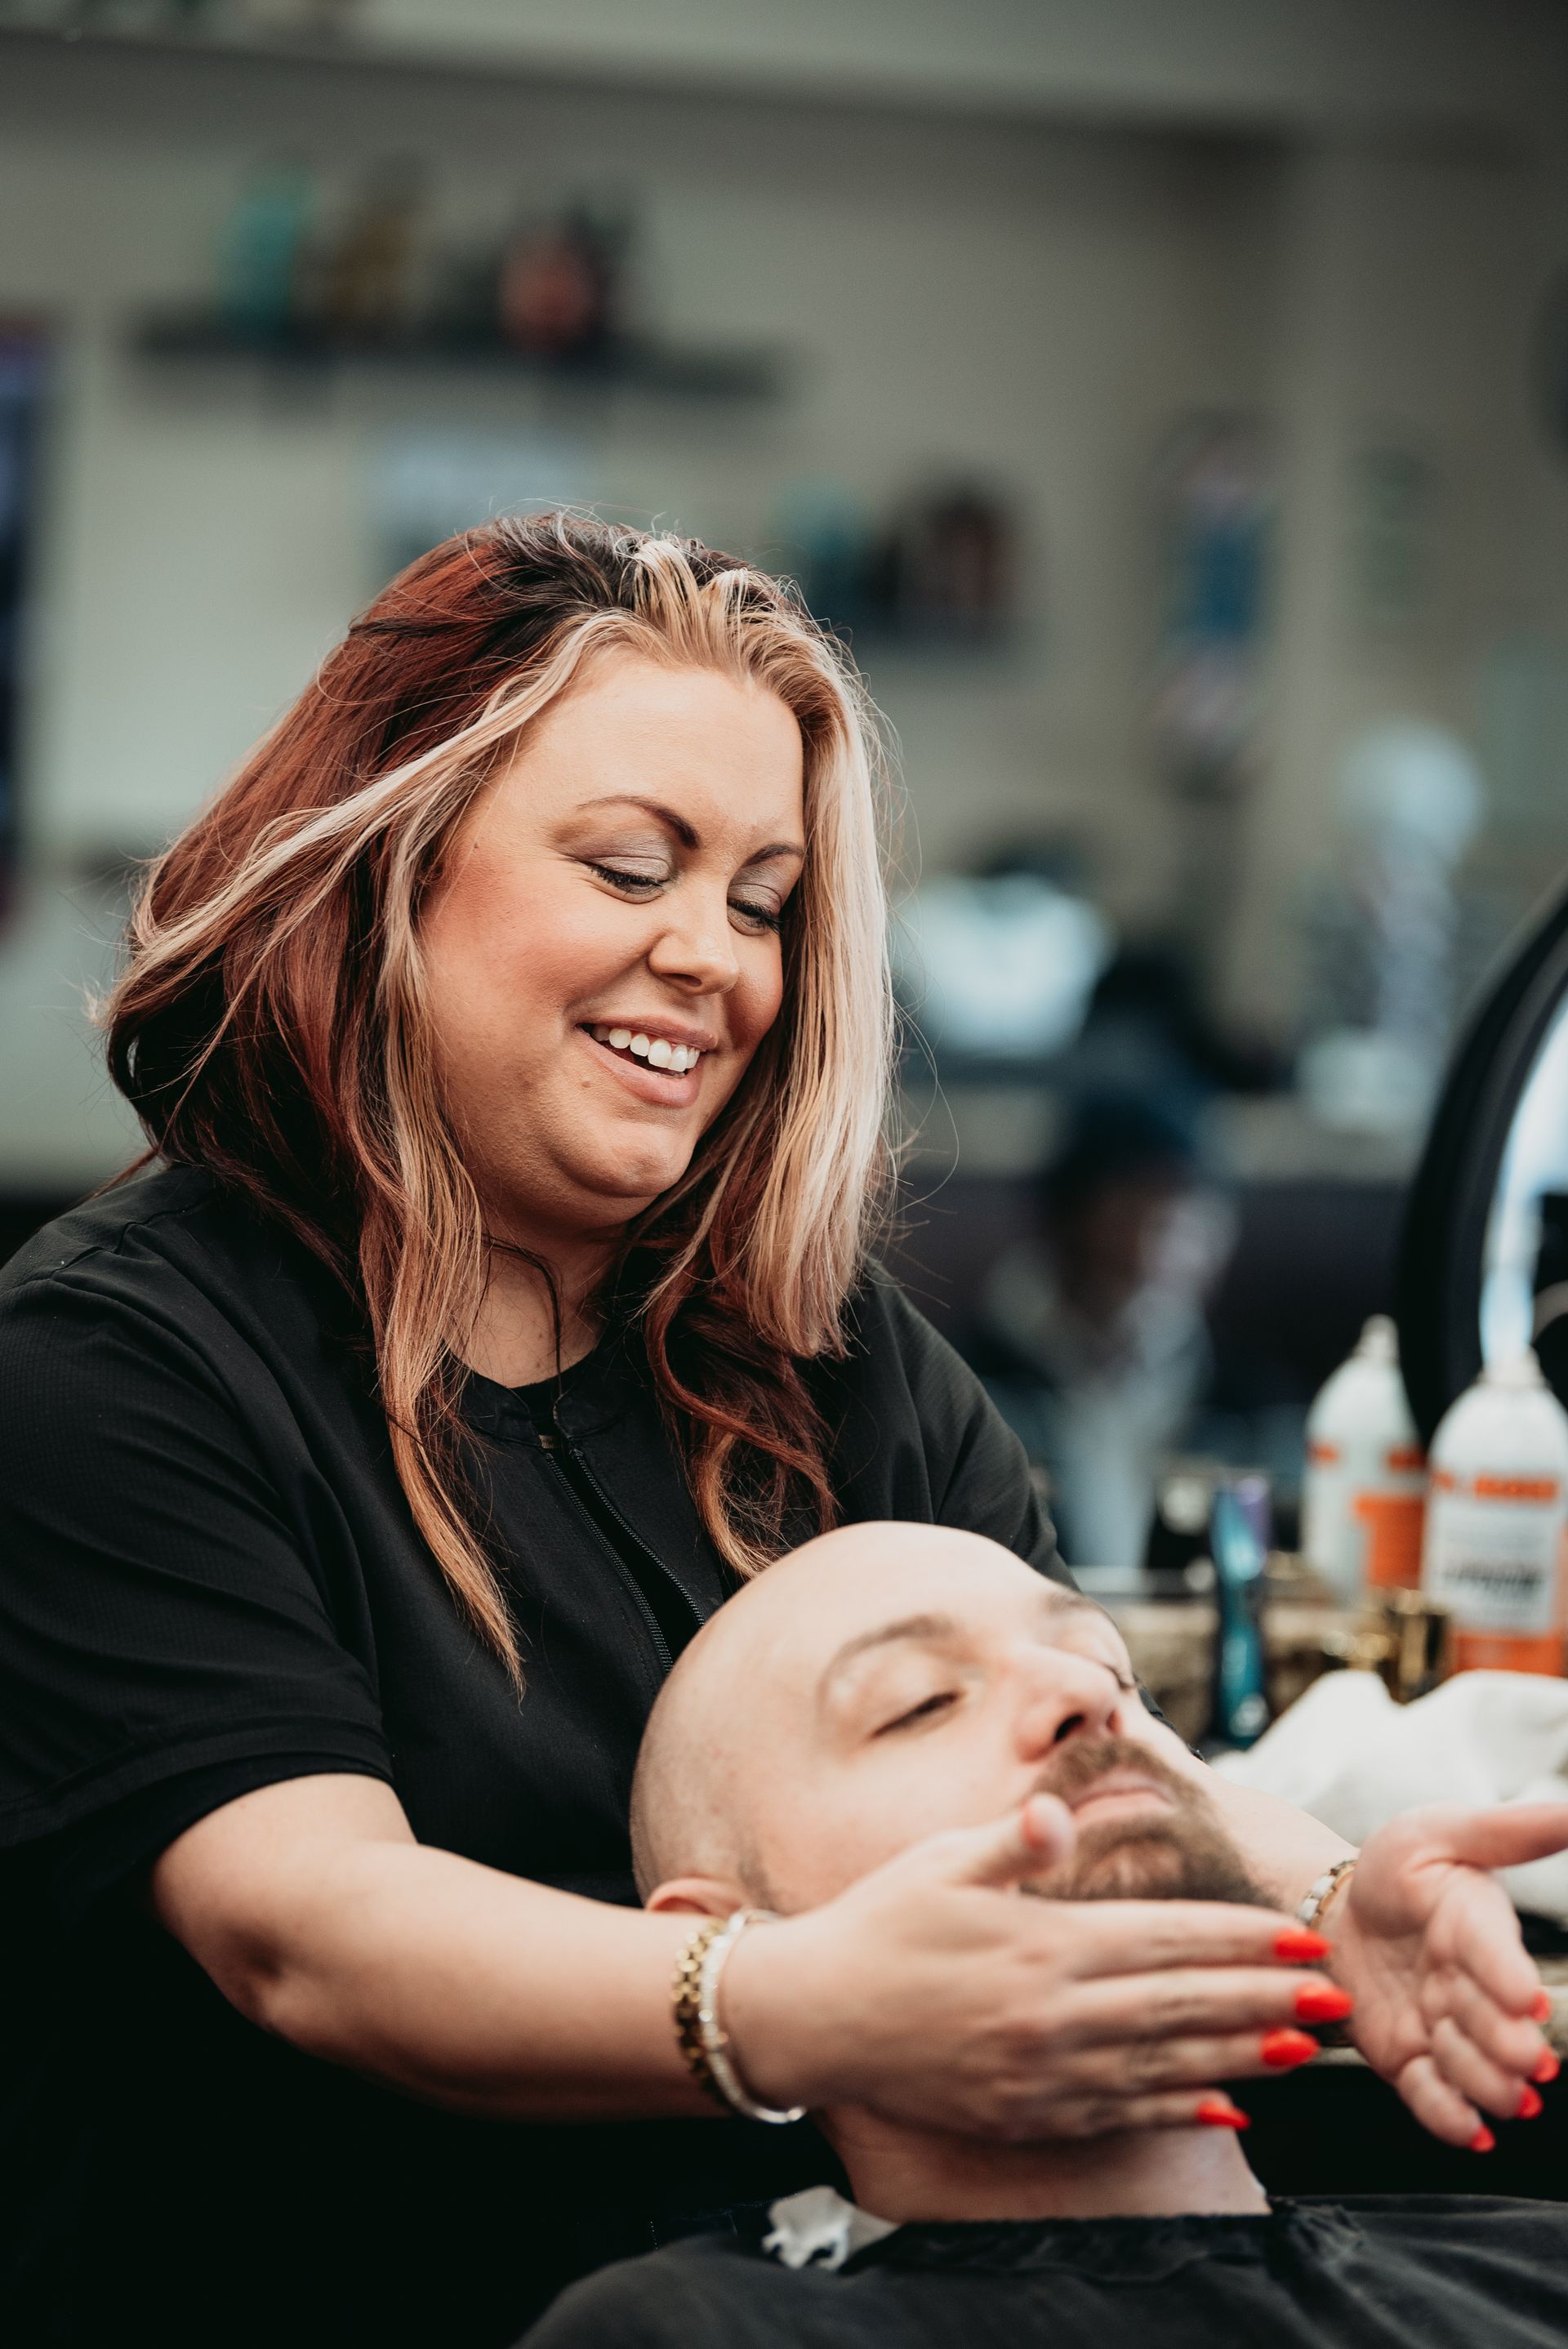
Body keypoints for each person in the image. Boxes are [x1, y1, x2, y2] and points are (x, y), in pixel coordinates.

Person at [0, 517, 1542, 2349]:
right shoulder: (123, 1366)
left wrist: (1318, 1901)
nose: (710, 961)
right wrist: (788, 2005)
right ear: (392, 871)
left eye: (760, 901)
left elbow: (1093, 1746)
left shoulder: (816, 1354)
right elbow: (309, 1928)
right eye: (630, 864)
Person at [524, 1522, 1568, 2347]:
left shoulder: (1531, 2263)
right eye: (921, 1702)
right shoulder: (696, 2333)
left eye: (1116, 1675)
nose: (1086, 1697)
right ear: (729, 1936)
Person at [964, 1093, 1227, 1567]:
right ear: (1064, 1221)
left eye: (1180, 1223)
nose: (1152, 1252)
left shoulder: (1247, 1401)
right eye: (1128, 1215)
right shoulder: (968, 1383)